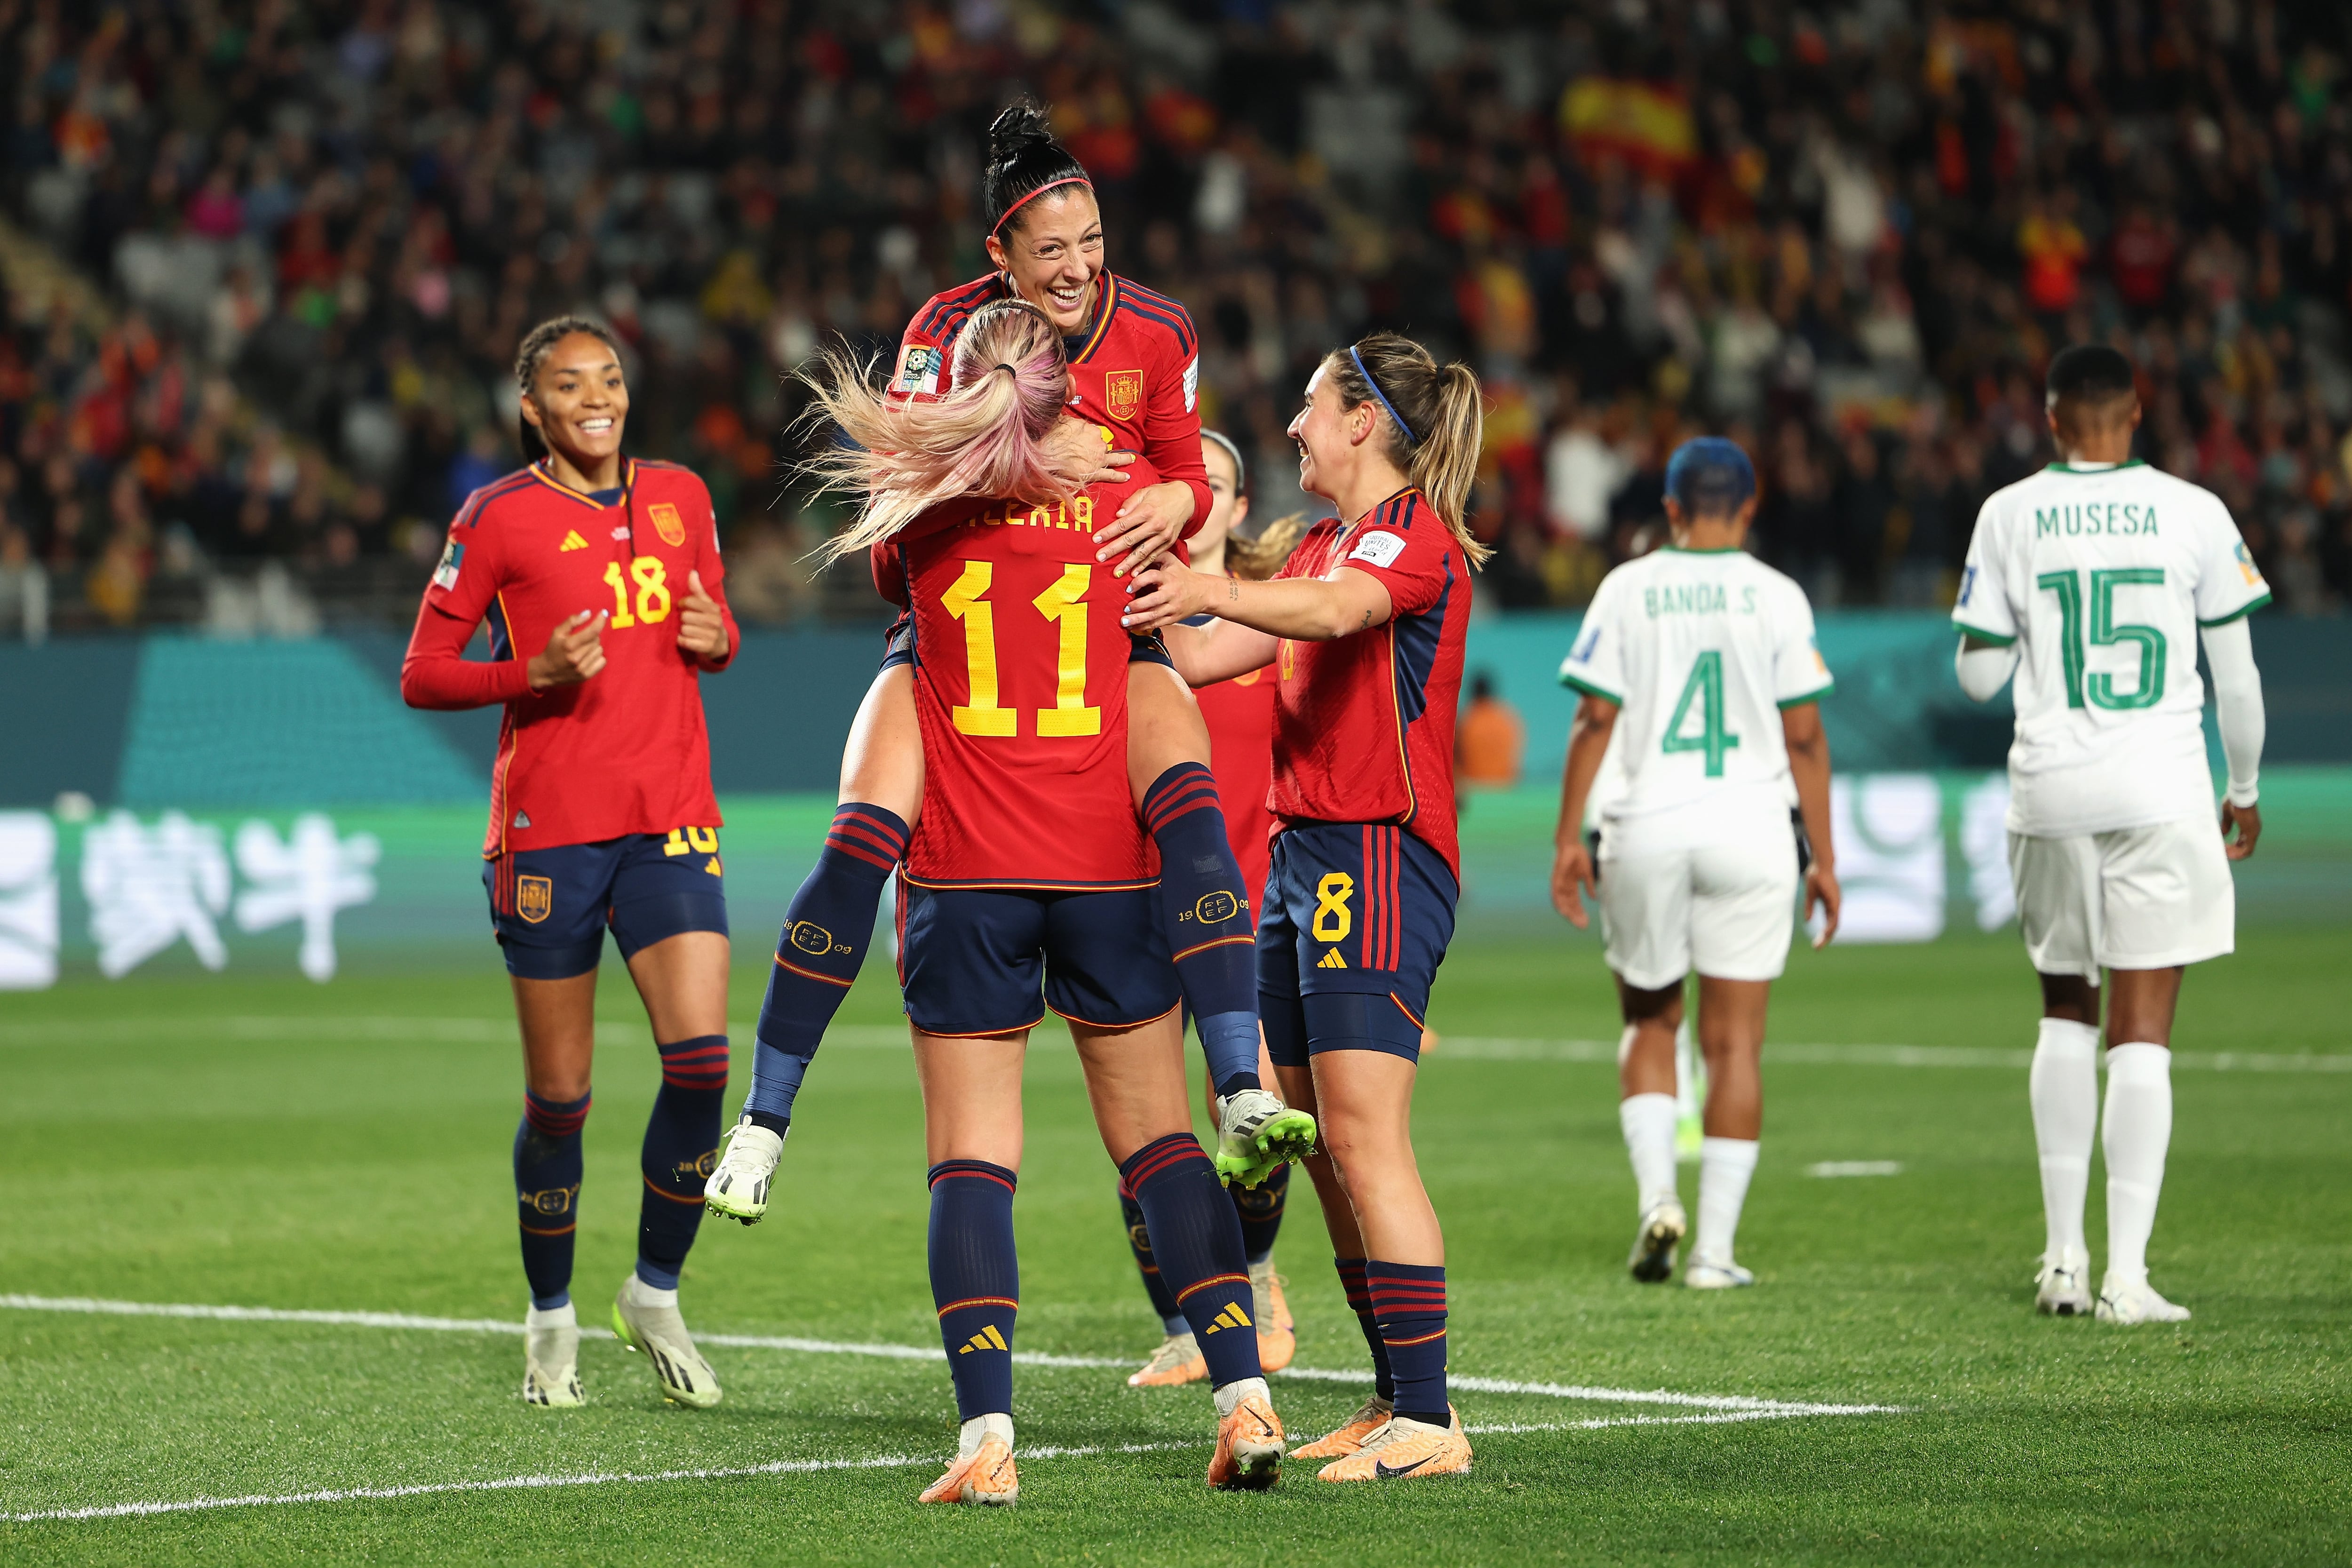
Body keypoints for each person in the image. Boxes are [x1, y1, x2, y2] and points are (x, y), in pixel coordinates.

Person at [703, 101, 1306, 1221]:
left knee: (1190, 812)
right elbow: (892, 531)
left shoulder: (1159, 331)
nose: (1079, 269)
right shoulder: (944, 330)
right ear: (1001, 255)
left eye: (1094, 243)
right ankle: (763, 1118)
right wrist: (1022, 462)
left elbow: (1187, 478)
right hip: (955, 638)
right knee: (858, 844)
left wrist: (1162, 500)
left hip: (1107, 630)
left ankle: (1238, 1083)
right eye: (1052, 249)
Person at [795, 299, 1290, 1503]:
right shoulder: (1127, 483)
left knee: (972, 1160)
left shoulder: (923, 496)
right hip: (1110, 861)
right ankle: (1244, 1395)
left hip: (970, 866)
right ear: (1071, 381)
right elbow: (1162, 608)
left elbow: (893, 590)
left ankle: (987, 1438)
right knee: (1160, 1142)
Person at [1125, 332, 1487, 1483]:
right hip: (1302, 856)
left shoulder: (1406, 536)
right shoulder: (1326, 541)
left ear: (1363, 421)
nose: (1292, 425)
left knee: (1366, 1134)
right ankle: (1393, 1395)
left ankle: (1429, 1416)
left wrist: (1211, 582)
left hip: (1374, 852)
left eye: (1310, 405)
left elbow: (1336, 616)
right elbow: (1198, 655)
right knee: (1318, 1141)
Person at [399, 316, 739, 1409]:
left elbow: (715, 626)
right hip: (549, 830)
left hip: (669, 818)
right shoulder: (495, 516)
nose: (596, 398)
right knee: (561, 1098)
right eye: (568, 384)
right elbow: (422, 671)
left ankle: (654, 1289)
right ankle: (550, 1314)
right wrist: (529, 673)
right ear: (531, 408)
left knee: (702, 1064)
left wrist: (718, 638)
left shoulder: (683, 494)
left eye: (609, 378)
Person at [1951, 343, 2268, 1325]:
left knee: (2064, 1010)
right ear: (2136, 414)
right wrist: (2244, 786)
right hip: (2161, 789)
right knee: (2144, 1032)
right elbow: (2239, 681)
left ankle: (2062, 1261)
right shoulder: (2194, 511)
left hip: (2051, 790)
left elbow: (1978, 678)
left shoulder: (2008, 513)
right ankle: (2127, 1277)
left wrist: (2012, 631)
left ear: (2050, 421)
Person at [1549, 437, 1843, 1290]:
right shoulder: (1778, 595)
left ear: (1671, 509)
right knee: (1736, 1042)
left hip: (1646, 825)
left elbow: (1594, 719)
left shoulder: (1628, 587)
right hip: (1752, 830)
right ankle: (1715, 1252)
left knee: (1651, 1022)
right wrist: (1823, 858)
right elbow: (1805, 736)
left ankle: (1656, 1201)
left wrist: (1569, 836)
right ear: (1749, 508)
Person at [1121, 433, 1314, 1390]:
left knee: (1252, 1108)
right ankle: (1181, 1326)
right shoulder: (1116, 611)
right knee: (1144, 1122)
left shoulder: (1267, 617)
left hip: (1248, 903)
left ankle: (1259, 1274)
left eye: (1210, 486)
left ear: (1232, 507)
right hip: (1135, 897)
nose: (1189, 502)